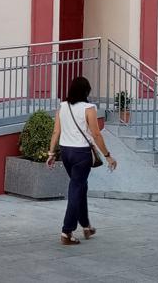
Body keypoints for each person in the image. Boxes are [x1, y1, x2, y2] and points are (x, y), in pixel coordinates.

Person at [46, 75, 116, 245]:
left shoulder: (62, 106)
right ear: (86, 91)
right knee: (76, 188)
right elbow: (96, 133)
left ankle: (86, 226)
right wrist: (107, 155)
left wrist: (50, 153)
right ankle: (67, 231)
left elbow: (56, 132)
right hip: (81, 153)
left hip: (65, 152)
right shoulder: (89, 108)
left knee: (80, 187)